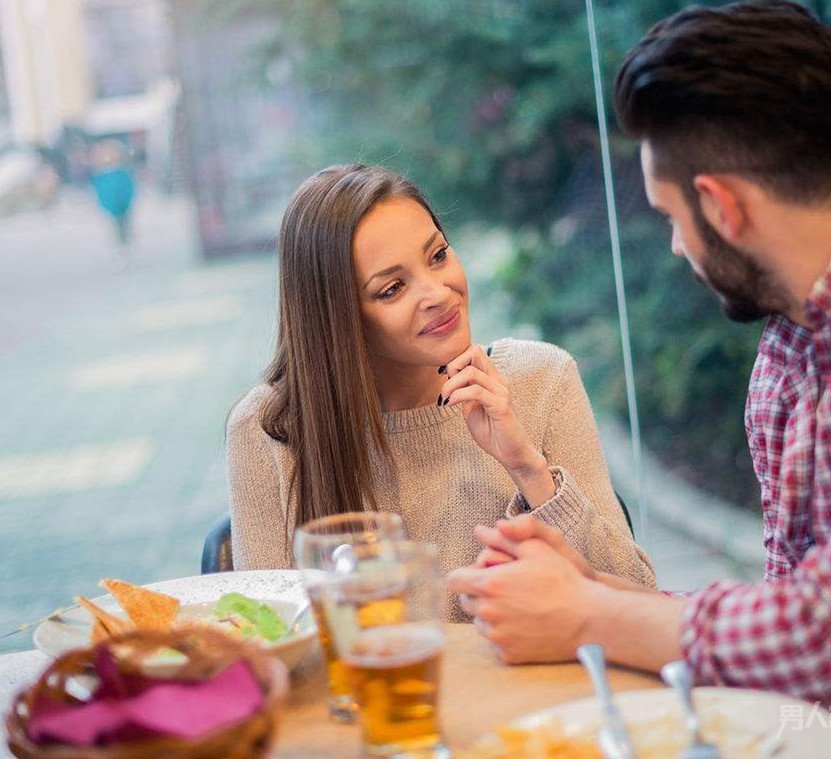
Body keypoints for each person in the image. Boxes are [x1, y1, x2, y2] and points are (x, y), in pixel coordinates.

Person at [449, 0, 831, 725]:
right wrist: (602, 593)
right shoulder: (787, 350)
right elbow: (793, 624)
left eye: (670, 218)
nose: (675, 247)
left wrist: (588, 614)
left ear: (721, 206)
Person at [227, 164, 655, 621]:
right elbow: (267, 641)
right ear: (337, 321)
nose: (438, 292)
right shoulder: (268, 430)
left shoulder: (541, 380)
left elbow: (640, 599)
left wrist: (528, 468)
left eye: (438, 256)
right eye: (392, 289)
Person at [88, 139, 136, 267]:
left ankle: (124, 249)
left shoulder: (120, 172)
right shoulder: (104, 174)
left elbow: (128, 188)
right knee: (118, 228)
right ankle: (122, 250)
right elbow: (100, 191)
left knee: (124, 227)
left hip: (123, 206)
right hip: (114, 207)